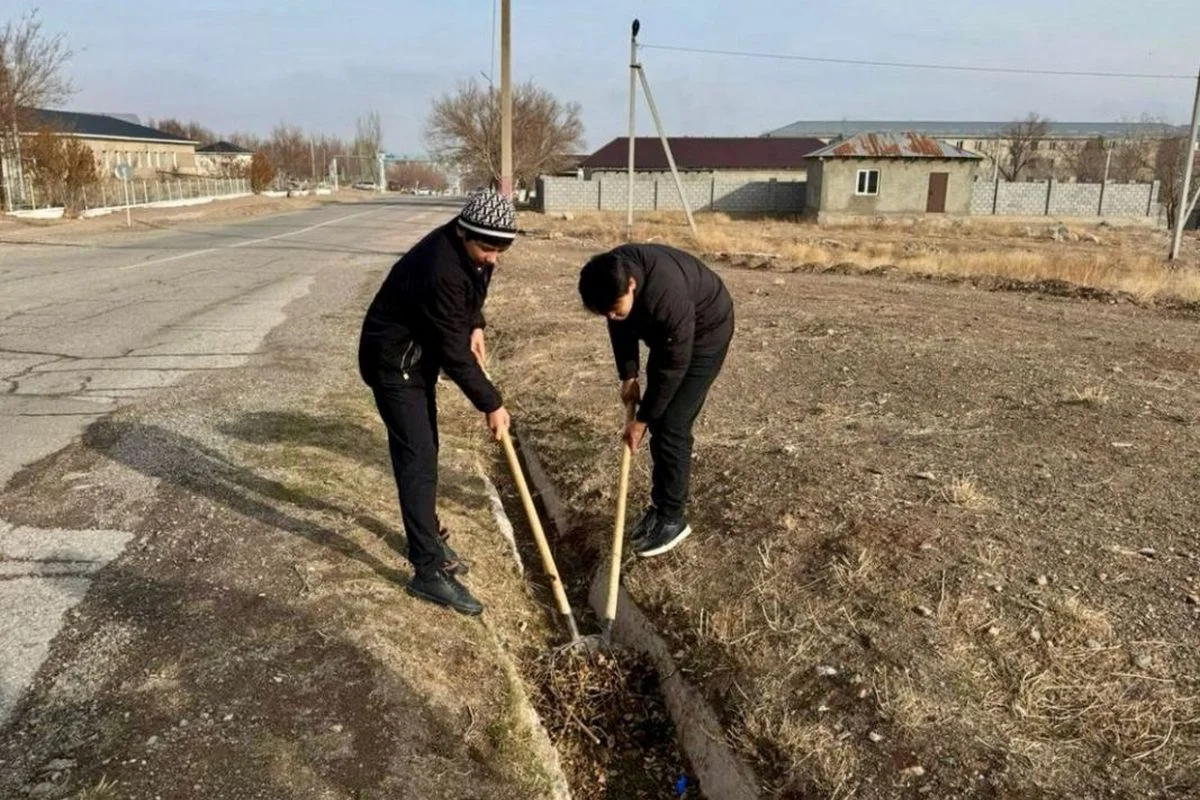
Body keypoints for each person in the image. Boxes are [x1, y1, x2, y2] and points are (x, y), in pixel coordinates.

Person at [358, 189, 517, 615]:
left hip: (416, 358)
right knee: (418, 456)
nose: (494, 258)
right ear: (465, 233)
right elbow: (451, 349)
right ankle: (428, 570)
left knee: (424, 452)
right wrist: (491, 404)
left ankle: (425, 536)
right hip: (395, 364)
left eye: (502, 249)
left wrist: (477, 324)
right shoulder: (440, 267)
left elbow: (473, 293)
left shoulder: (472, 251)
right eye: (488, 247)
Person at [578, 243, 734, 557]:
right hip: (672, 334)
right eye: (604, 311)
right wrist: (629, 374)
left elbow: (672, 368)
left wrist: (643, 420)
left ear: (632, 286)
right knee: (661, 418)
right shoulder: (614, 275)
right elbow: (619, 327)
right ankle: (659, 507)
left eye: (615, 306)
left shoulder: (666, 297)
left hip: (706, 331)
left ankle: (673, 518)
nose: (611, 315)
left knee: (671, 424)